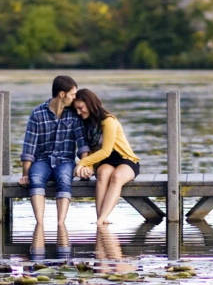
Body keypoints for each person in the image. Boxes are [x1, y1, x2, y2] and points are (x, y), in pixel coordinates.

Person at [19, 75, 89, 226]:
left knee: (64, 179)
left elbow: (82, 144)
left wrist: (84, 165)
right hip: (42, 160)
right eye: (72, 94)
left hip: (65, 161)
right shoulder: (37, 114)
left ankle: (60, 223)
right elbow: (29, 147)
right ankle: (40, 223)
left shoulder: (74, 114)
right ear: (62, 94)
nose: (75, 98)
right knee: (35, 178)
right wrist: (25, 174)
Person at [72, 89, 140, 226]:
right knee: (102, 174)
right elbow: (91, 150)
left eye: (81, 108)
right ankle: (101, 218)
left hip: (125, 159)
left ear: (90, 103)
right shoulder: (87, 123)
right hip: (106, 162)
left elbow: (106, 151)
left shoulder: (108, 121)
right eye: (76, 110)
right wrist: (88, 166)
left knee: (117, 177)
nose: (79, 112)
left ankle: (102, 218)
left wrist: (82, 163)